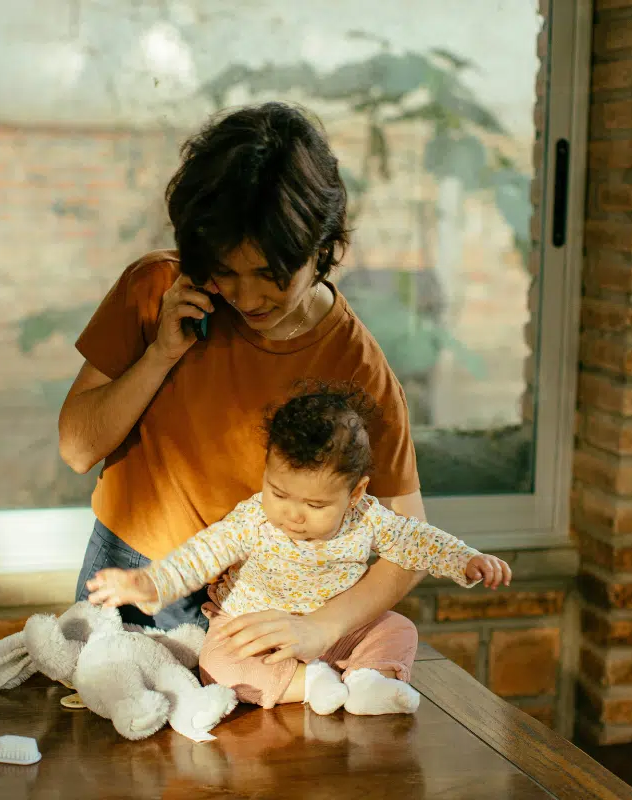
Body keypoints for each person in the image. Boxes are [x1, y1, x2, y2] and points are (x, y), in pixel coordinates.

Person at [59, 100, 443, 664]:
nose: (246, 297)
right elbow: (76, 449)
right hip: (133, 572)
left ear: (322, 250)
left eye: (271, 275)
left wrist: (317, 628)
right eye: (226, 271)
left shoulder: (358, 368)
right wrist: (160, 354)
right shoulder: (156, 291)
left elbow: (411, 540)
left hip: (259, 605)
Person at [84, 384, 512, 716]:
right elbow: (203, 553)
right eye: (279, 493)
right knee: (221, 668)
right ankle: (312, 683)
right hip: (253, 629)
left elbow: (419, 539)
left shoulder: (368, 518)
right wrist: (152, 581)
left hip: (338, 629)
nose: (293, 515)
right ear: (267, 471)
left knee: (399, 630)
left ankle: (368, 683)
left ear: (356, 491)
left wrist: (467, 559)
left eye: (315, 505)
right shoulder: (253, 519)